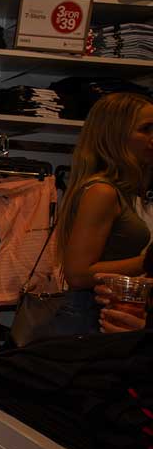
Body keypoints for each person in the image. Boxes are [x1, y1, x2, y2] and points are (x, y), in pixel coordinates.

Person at [39, 92, 153, 338]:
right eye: (145, 129)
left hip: (102, 312)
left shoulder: (120, 191)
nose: (152, 138)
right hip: (88, 317)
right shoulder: (103, 191)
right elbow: (78, 273)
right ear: (117, 135)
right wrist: (146, 263)